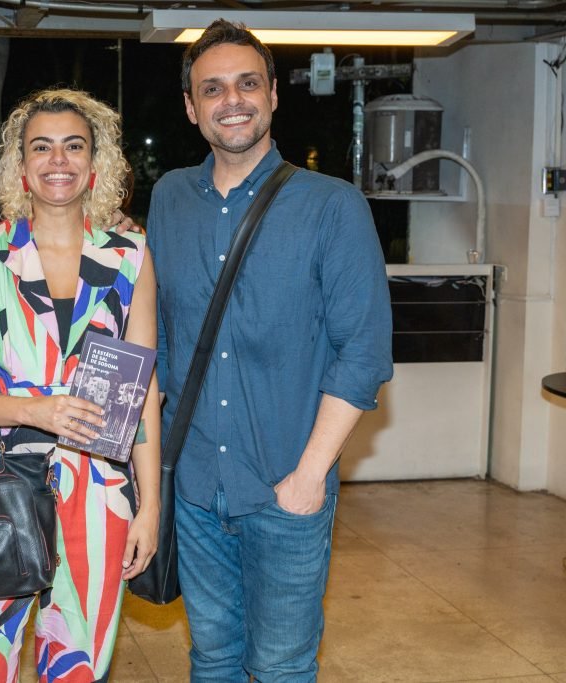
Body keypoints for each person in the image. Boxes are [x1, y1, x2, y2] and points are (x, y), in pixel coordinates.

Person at [147, 20, 394, 683]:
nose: (233, 100)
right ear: (192, 107)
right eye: (214, 88)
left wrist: (309, 476)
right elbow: (159, 336)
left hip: (286, 486)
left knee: (282, 665)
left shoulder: (332, 207)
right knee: (213, 659)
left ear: (275, 95)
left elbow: (363, 353)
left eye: (248, 83)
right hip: (195, 487)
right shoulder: (169, 199)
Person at [0, 88, 162, 683]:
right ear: (20, 165)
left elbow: (139, 394)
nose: (57, 160)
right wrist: (41, 411)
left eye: (73, 146)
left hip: (99, 489)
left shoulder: (130, 256)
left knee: (79, 667)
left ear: (95, 164)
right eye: (42, 147)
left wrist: (150, 505)